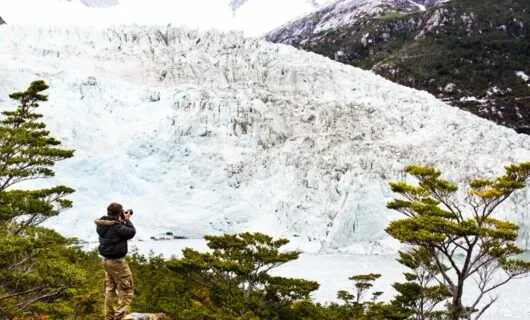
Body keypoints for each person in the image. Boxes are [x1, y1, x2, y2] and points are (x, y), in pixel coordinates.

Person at [95, 202, 136, 320]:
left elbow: (115, 229)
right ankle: (119, 316)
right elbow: (131, 232)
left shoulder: (102, 225)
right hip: (117, 262)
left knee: (110, 289)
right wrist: (127, 220)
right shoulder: (117, 227)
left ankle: (109, 317)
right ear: (119, 213)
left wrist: (120, 219)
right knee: (127, 289)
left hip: (106, 261)